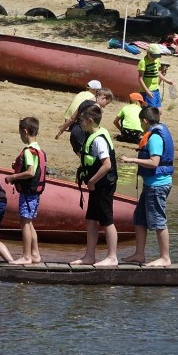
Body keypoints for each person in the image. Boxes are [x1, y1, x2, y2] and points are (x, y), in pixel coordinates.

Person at [119, 106, 174, 266]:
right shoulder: (157, 131)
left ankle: (165, 258)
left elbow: (154, 162)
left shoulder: (155, 137)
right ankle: (139, 254)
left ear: (144, 121)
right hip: (151, 184)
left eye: (140, 122)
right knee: (139, 218)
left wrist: (131, 160)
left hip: (158, 184)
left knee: (158, 220)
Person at [71, 104, 119, 266]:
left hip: (103, 185)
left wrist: (91, 181)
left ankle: (112, 257)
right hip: (96, 187)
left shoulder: (98, 140)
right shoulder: (92, 135)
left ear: (90, 121)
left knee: (106, 221)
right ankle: (89, 256)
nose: (80, 123)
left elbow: (107, 165)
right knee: (91, 220)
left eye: (82, 120)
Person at [4, 117, 47, 264]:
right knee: (28, 223)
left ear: (25, 131)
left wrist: (13, 176)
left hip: (28, 193)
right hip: (34, 193)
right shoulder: (38, 149)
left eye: (20, 134)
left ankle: (26, 256)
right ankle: (35, 255)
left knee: (24, 222)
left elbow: (30, 172)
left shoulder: (29, 151)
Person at [55, 88, 113, 155]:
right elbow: (94, 126)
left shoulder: (84, 102)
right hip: (83, 133)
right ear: (103, 98)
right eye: (106, 103)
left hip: (74, 132)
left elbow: (72, 119)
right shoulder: (96, 108)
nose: (104, 106)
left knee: (81, 155)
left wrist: (62, 130)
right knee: (87, 156)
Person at [138, 44, 172, 111]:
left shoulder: (157, 60)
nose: (155, 58)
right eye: (153, 56)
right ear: (148, 53)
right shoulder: (143, 62)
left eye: (156, 56)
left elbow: (157, 72)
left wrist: (167, 81)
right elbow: (140, 78)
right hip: (147, 91)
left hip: (156, 89)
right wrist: (147, 91)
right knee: (151, 112)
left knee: (159, 111)